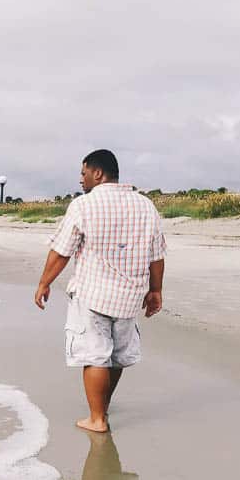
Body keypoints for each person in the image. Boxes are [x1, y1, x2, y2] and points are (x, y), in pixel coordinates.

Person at [34, 149, 166, 432]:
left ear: (98, 173)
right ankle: (102, 407)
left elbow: (61, 251)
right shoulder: (146, 206)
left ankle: (97, 419)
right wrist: (156, 290)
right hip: (130, 296)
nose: (81, 180)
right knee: (116, 357)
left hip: (93, 294)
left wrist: (44, 282)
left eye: (83, 174)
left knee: (95, 356)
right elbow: (157, 255)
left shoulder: (84, 205)